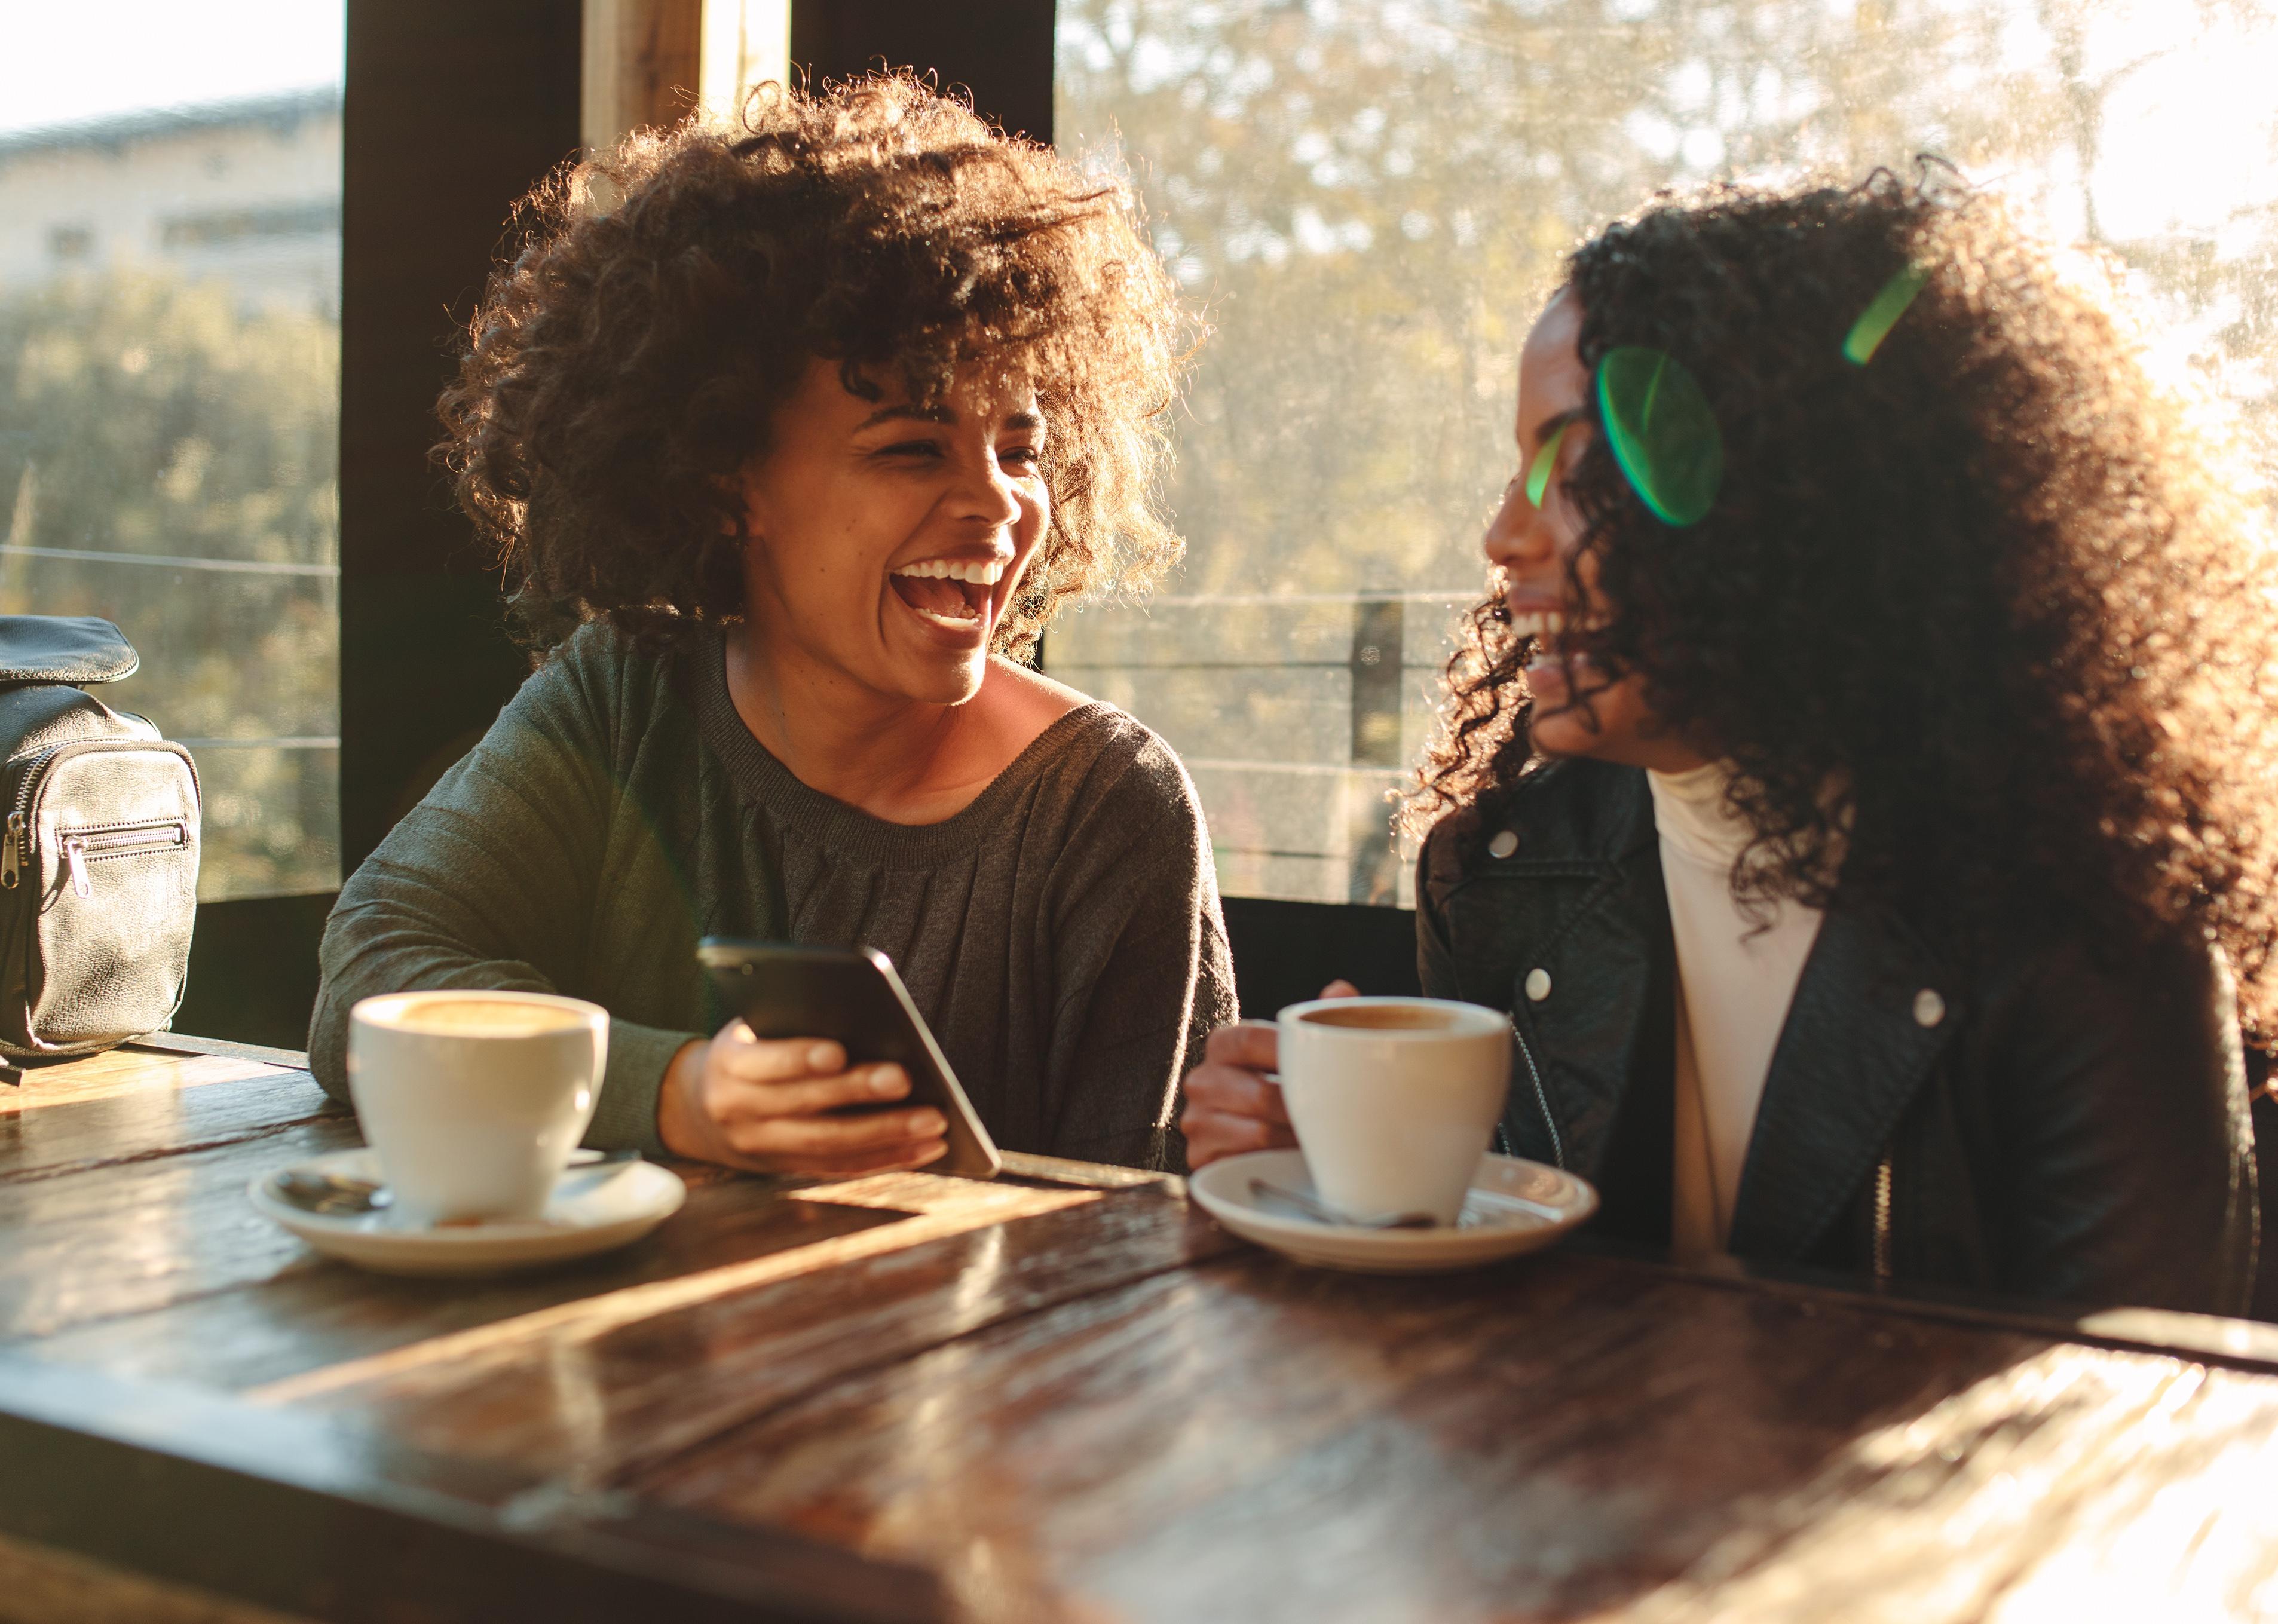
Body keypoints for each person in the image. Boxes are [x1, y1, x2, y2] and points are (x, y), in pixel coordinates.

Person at [1184, 173, 2271, 1312]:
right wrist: (1325, 1175)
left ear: (1798, 502)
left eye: (1578, 465)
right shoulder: (1505, 875)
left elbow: (2136, 1418)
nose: (1505, 534)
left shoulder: (2083, 923)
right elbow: (1480, 1323)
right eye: (1518, 467)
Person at [310, 75, 1234, 1176]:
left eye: (1022, 449)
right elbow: (371, 977)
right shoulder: (626, 697)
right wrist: (677, 1093)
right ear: (725, 478)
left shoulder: (1107, 808)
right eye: (910, 446)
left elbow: (1143, 1245)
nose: (998, 503)